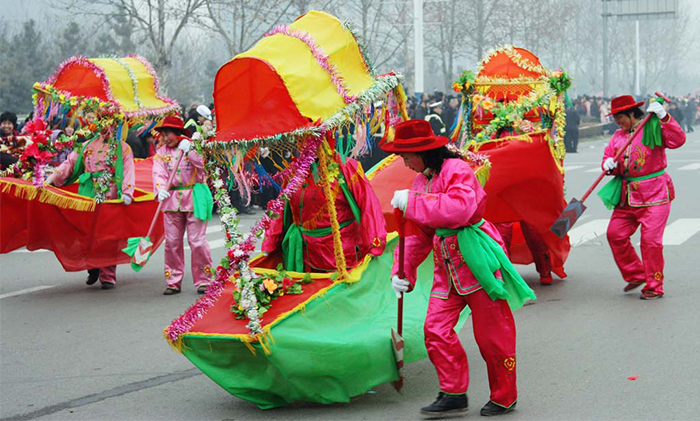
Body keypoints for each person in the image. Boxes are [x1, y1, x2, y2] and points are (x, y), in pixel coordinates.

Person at [381, 120, 535, 417]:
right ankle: (453, 393)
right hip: (447, 270)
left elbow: (461, 209)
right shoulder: (420, 182)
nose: (404, 162)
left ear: (422, 152)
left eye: (406, 156)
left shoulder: (457, 170)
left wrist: (414, 202)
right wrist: (401, 272)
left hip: (477, 262)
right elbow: (419, 235)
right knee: (435, 330)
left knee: (492, 336)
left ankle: (505, 396)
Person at [599, 95, 685, 300]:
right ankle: (635, 274)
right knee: (614, 234)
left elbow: (678, 140)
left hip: (655, 195)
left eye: (619, 117)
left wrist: (665, 119)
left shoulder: (652, 127)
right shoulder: (618, 136)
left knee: (650, 242)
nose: (617, 122)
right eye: (615, 118)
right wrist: (608, 164)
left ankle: (654, 285)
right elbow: (608, 156)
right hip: (627, 196)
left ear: (631, 113)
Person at [261, 151, 387, 273]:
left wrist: (374, 245)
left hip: (341, 256)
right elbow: (281, 207)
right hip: (305, 255)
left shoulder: (345, 166)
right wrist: (270, 242)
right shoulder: (294, 171)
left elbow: (369, 205)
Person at [47, 121, 136, 289]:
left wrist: (127, 191)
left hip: (109, 194)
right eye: (101, 121)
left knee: (108, 235)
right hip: (87, 193)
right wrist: (53, 178)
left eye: (109, 123)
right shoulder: (87, 145)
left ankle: (108, 275)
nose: (104, 127)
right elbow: (70, 163)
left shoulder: (123, 148)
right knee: (86, 232)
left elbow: (128, 170)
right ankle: (92, 265)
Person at [152, 116, 214, 295]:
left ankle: (204, 280)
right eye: (162, 135)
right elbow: (158, 172)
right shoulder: (161, 152)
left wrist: (192, 151)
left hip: (194, 198)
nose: (165, 138)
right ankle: (173, 281)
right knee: (171, 242)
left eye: (167, 134)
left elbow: (204, 166)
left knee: (197, 241)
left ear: (177, 133)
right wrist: (160, 189)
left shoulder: (191, 146)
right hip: (171, 200)